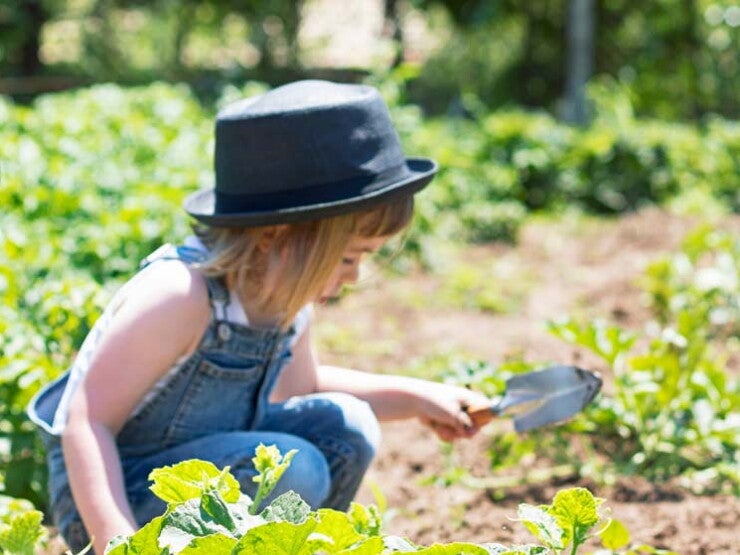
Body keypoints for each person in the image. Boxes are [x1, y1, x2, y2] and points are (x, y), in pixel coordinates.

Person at [28, 80, 489, 554]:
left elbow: (303, 389)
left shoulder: (287, 297)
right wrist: (117, 542)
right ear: (277, 237)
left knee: (348, 426)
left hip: (216, 474)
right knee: (299, 468)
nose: (355, 277)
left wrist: (416, 397)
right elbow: (86, 421)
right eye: (349, 258)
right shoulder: (181, 295)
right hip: (116, 500)